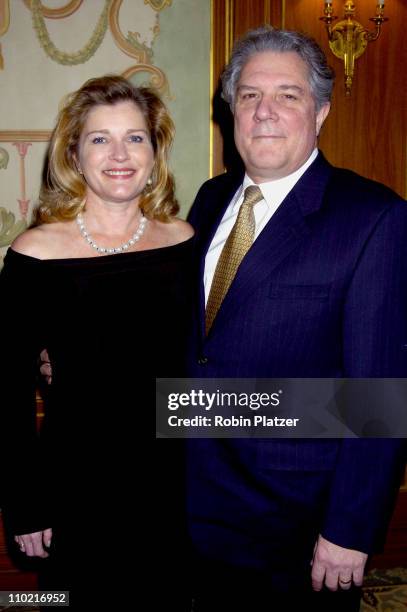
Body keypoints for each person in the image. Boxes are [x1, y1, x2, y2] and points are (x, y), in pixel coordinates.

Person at [185, 26, 407, 611]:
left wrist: (349, 530)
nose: (265, 112)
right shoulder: (209, 200)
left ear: (322, 111)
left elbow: (378, 393)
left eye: (288, 95)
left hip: (297, 525)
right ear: (232, 109)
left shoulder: (373, 218)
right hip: (193, 506)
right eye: (250, 95)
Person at [0, 75, 194, 609]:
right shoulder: (35, 253)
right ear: (74, 153)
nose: (119, 154)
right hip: (77, 481)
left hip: (172, 480)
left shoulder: (184, 242)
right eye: (99, 138)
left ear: (154, 153)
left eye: (135, 137)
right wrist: (25, 505)